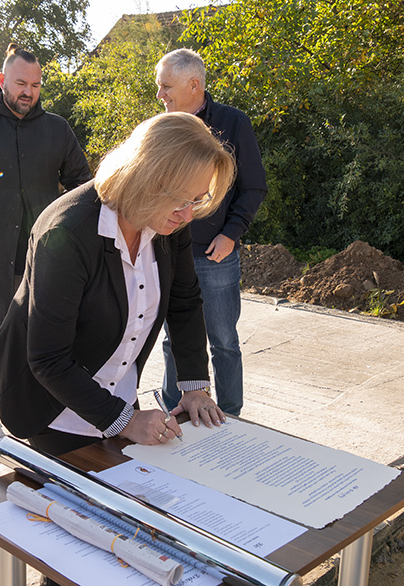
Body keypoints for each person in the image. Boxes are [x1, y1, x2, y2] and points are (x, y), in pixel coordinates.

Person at [0, 112, 236, 460]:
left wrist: (194, 386)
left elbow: (184, 302)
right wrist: (126, 421)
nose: (188, 215)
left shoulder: (169, 220)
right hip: (52, 411)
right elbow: (47, 358)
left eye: (197, 200)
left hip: (118, 401)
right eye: (181, 200)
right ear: (147, 176)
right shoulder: (67, 233)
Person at [0, 43, 92, 434]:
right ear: (3, 80)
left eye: (36, 85)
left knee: (49, 329)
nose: (29, 92)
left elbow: (82, 182)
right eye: (22, 83)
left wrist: (66, 223)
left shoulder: (57, 129)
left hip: (49, 254)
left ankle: (48, 400)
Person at [155, 48, 268, 417]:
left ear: (194, 85)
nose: (160, 94)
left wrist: (231, 233)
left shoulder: (233, 123)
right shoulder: (162, 129)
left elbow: (254, 187)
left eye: (166, 86)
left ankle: (231, 415)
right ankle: (175, 412)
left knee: (224, 342)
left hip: (214, 255)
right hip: (169, 254)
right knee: (173, 340)